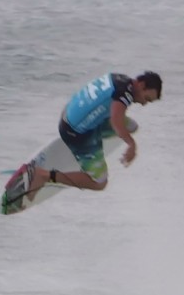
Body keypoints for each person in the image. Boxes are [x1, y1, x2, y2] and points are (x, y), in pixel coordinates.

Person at [19, 71, 163, 203]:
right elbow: (116, 121)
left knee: (131, 127)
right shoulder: (124, 94)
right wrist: (132, 145)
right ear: (141, 85)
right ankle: (43, 176)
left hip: (67, 114)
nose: (144, 103)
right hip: (75, 133)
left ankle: (88, 151)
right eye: (146, 98)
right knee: (100, 182)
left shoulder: (119, 78)